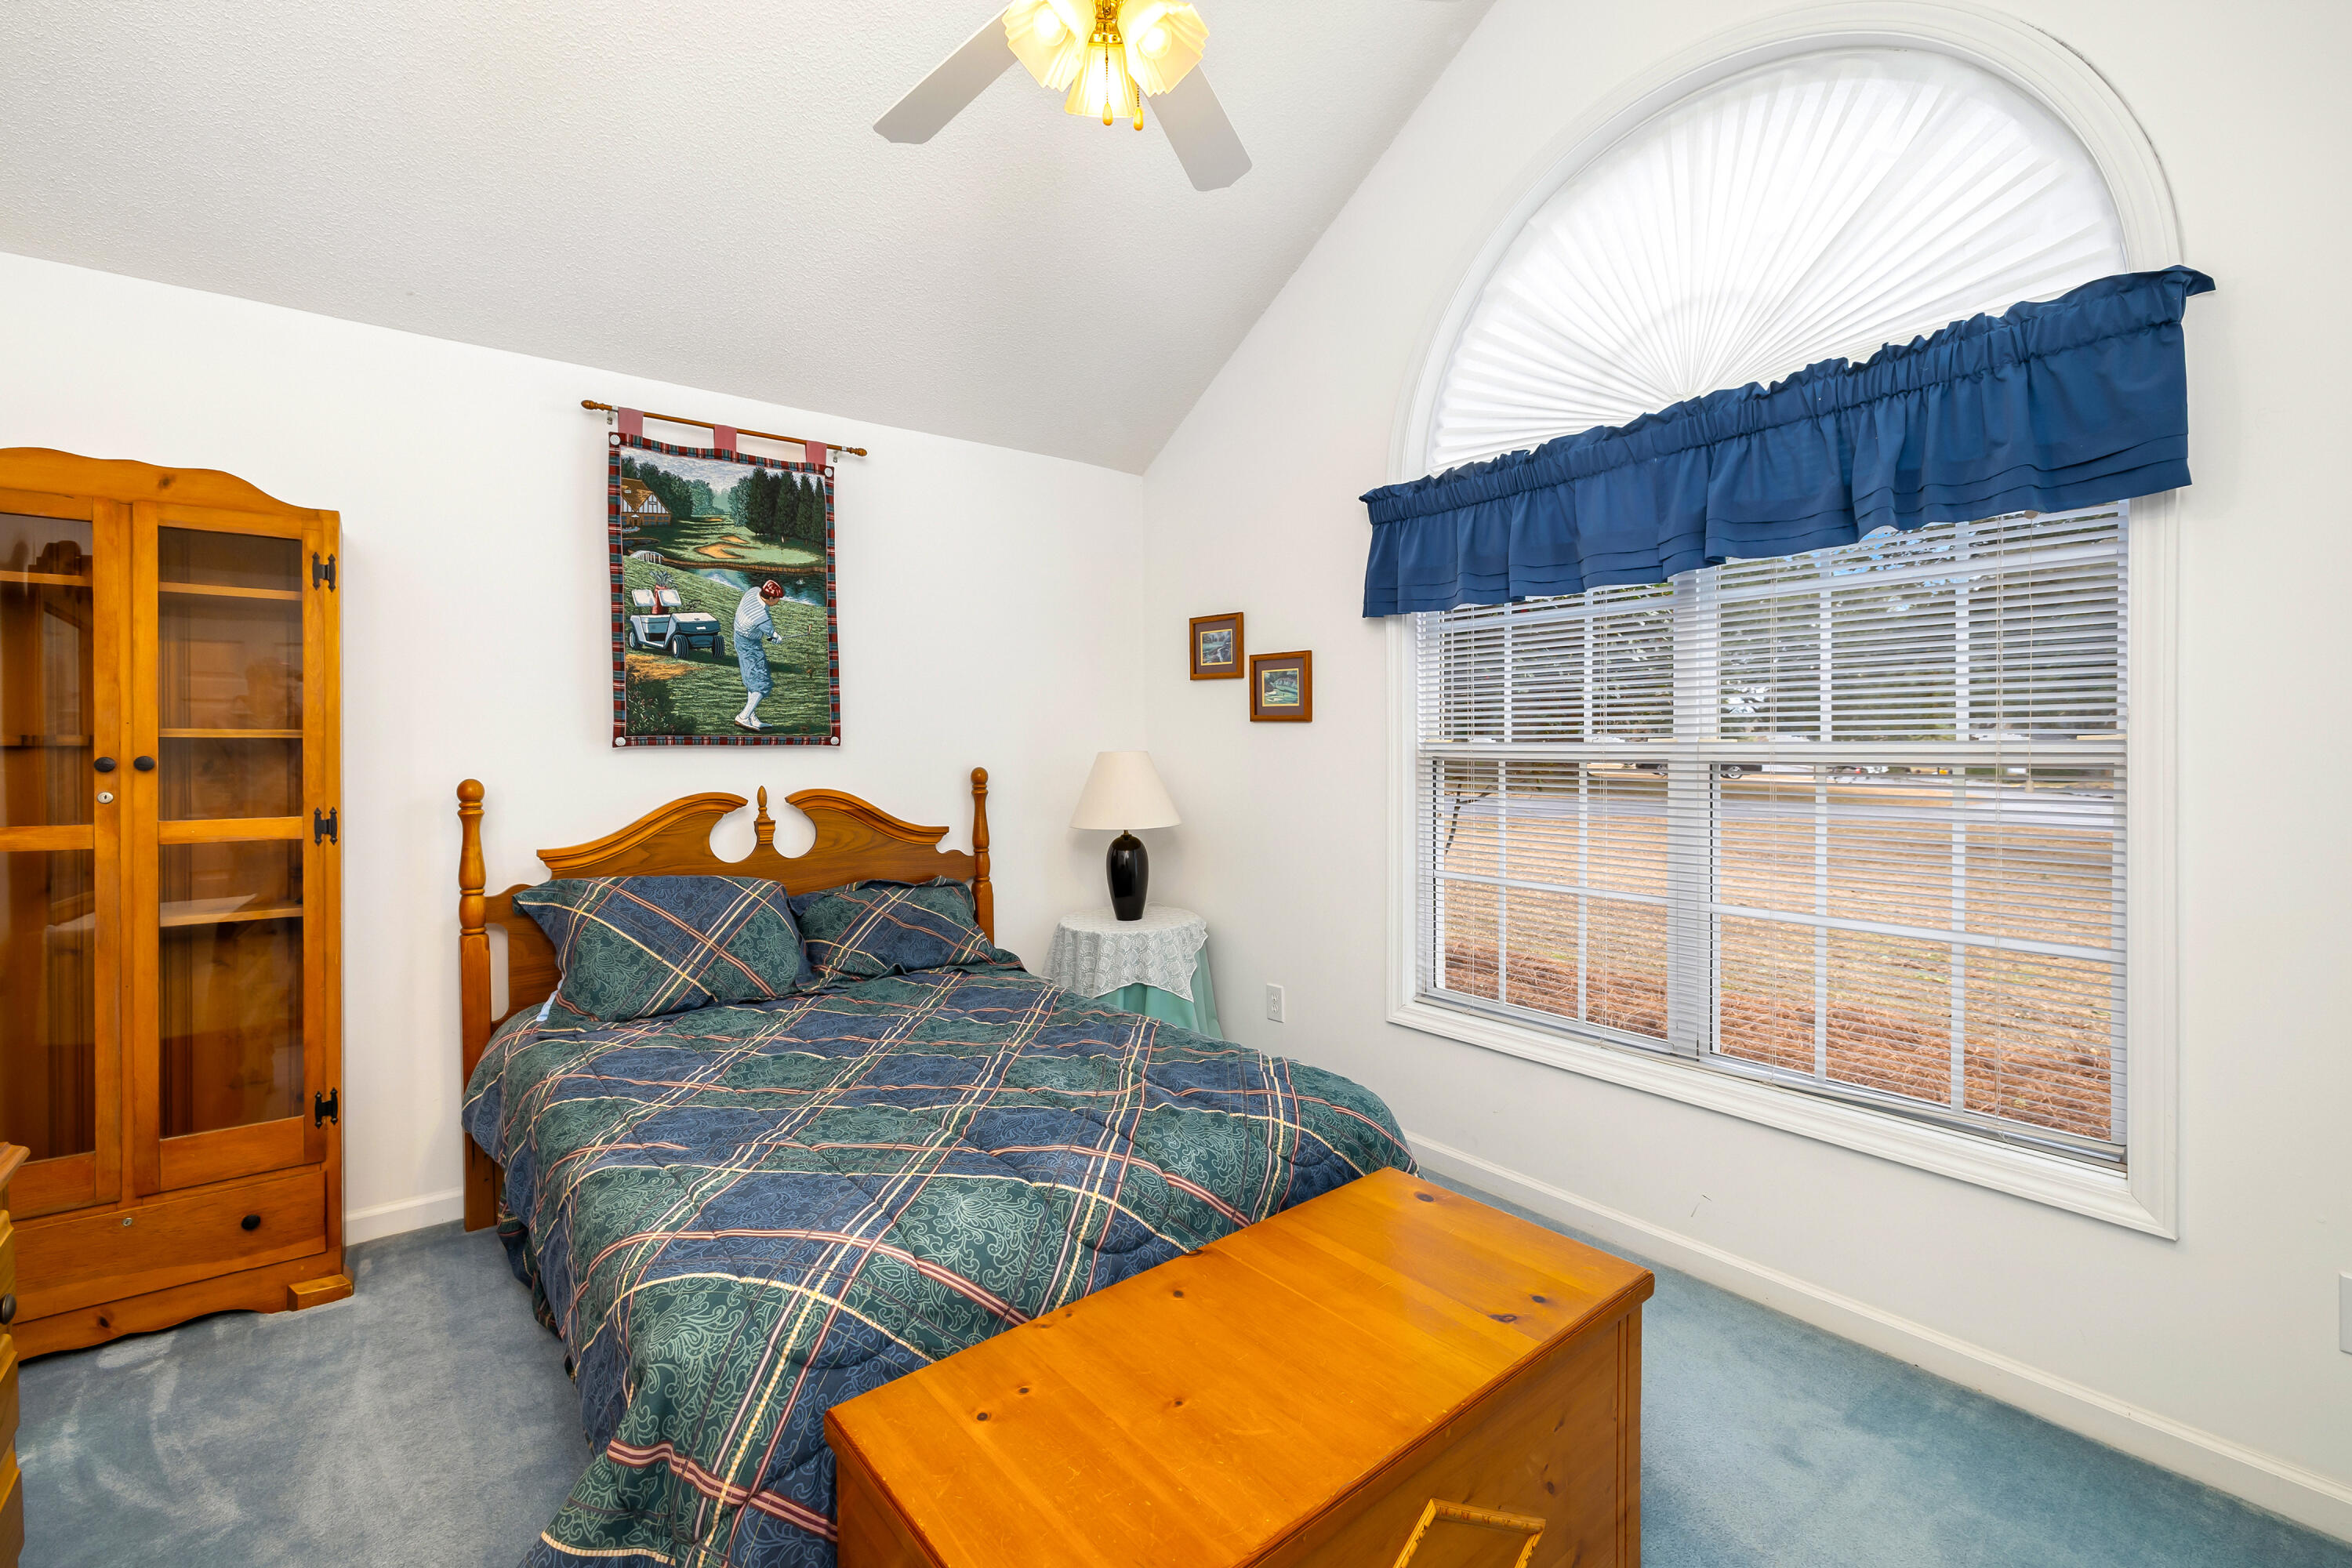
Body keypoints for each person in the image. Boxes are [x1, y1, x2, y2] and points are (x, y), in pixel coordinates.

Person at [731, 579, 787, 731]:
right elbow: (771, 634)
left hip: (740, 638)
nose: (778, 601)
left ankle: (751, 717)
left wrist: (771, 635)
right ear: (770, 598)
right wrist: (776, 637)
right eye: (777, 599)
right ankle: (743, 717)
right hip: (749, 645)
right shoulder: (761, 615)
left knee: (752, 680)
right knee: (762, 683)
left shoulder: (753, 591)